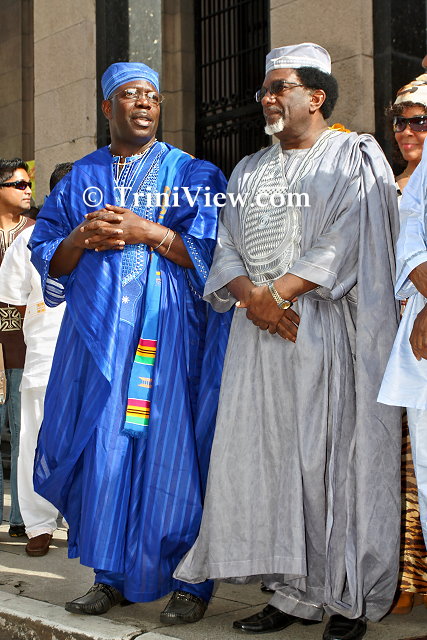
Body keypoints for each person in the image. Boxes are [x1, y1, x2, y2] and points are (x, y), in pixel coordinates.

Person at [174, 43, 401, 640]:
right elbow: (225, 245)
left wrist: (281, 294)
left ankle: (344, 595)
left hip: (321, 329)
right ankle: (291, 592)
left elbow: (348, 238)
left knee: (328, 462)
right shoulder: (249, 169)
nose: (267, 99)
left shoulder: (354, 156)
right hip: (257, 336)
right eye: (264, 90)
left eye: (280, 87)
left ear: (316, 96)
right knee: (270, 463)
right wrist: (255, 300)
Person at [29, 62, 230, 623]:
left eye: (152, 96)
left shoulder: (194, 173)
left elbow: (218, 257)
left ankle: (191, 580)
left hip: (166, 340)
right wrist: (78, 237)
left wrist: (150, 232)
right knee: (107, 452)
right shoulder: (81, 177)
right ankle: (110, 575)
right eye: (130, 94)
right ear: (106, 107)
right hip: (99, 346)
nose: (144, 103)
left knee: (173, 452)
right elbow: (48, 257)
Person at [0, 162, 73, 557]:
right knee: (34, 438)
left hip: (93, 357)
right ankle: (39, 524)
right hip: (44, 354)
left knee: (87, 438)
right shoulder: (29, 240)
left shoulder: (107, 237)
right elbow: (12, 298)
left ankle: (82, 519)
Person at [378, 73, 427, 610]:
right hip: (391, 340)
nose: (407, 131)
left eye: (419, 121)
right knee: (404, 463)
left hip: (418, 329)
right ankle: (407, 578)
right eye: (399, 121)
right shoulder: (386, 186)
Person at [0, 158, 33, 538]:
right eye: (18, 184)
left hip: (27, 350)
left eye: (28, 184)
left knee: (25, 436)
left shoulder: (36, 232)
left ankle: (21, 518)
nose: (27, 190)